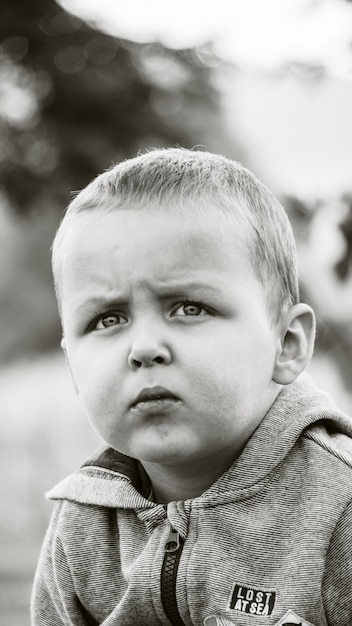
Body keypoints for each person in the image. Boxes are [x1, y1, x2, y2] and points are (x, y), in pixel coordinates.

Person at [31, 148, 352, 626]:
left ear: (285, 344)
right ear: (73, 368)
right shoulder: (85, 521)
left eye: (188, 308)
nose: (143, 348)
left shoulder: (337, 505)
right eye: (107, 319)